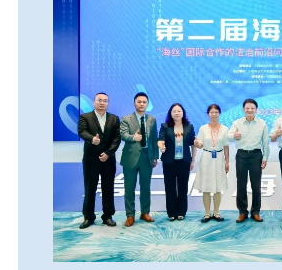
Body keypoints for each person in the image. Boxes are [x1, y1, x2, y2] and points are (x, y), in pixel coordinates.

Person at [77, 92, 121, 229]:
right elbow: (82, 131)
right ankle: (88, 217)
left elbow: (117, 138)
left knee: (108, 188)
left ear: (108, 103)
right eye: (100, 100)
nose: (102, 103)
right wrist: (92, 139)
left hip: (108, 160)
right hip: (91, 159)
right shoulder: (85, 117)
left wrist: (108, 153)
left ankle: (108, 216)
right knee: (90, 188)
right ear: (94, 102)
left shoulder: (114, 118)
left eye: (105, 101)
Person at [120, 92, 159, 227]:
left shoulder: (152, 120)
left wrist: (155, 156)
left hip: (147, 157)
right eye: (139, 102)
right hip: (130, 158)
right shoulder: (126, 118)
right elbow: (123, 134)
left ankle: (145, 212)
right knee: (129, 188)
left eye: (144, 102)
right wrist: (133, 137)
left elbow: (154, 139)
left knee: (145, 187)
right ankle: (130, 215)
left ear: (147, 104)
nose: (142, 104)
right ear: (134, 103)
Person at [227, 98, 270, 223]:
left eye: (252, 108)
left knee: (256, 185)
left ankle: (255, 212)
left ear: (256, 110)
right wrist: (234, 135)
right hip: (241, 155)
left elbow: (265, 143)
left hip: (256, 155)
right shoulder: (237, 123)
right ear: (243, 109)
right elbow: (228, 136)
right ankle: (242, 212)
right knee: (241, 184)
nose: (250, 110)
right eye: (247, 108)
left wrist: (265, 157)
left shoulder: (262, 123)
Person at [158, 103, 196, 222]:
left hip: (184, 161)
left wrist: (193, 160)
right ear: (170, 113)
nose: (177, 113)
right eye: (174, 111)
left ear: (183, 112)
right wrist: (161, 146)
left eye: (179, 111)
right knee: (169, 187)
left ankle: (181, 212)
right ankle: (171, 212)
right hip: (169, 161)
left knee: (183, 187)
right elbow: (160, 140)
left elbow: (193, 144)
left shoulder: (189, 127)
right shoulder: (165, 126)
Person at [194, 104, 230, 223]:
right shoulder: (203, 128)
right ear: (208, 114)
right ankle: (207, 213)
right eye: (211, 112)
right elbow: (200, 145)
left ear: (219, 113)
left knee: (218, 186)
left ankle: (216, 212)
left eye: (216, 112)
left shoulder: (224, 129)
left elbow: (226, 146)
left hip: (219, 158)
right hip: (206, 158)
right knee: (206, 186)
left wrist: (227, 162)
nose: (214, 114)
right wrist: (196, 144)